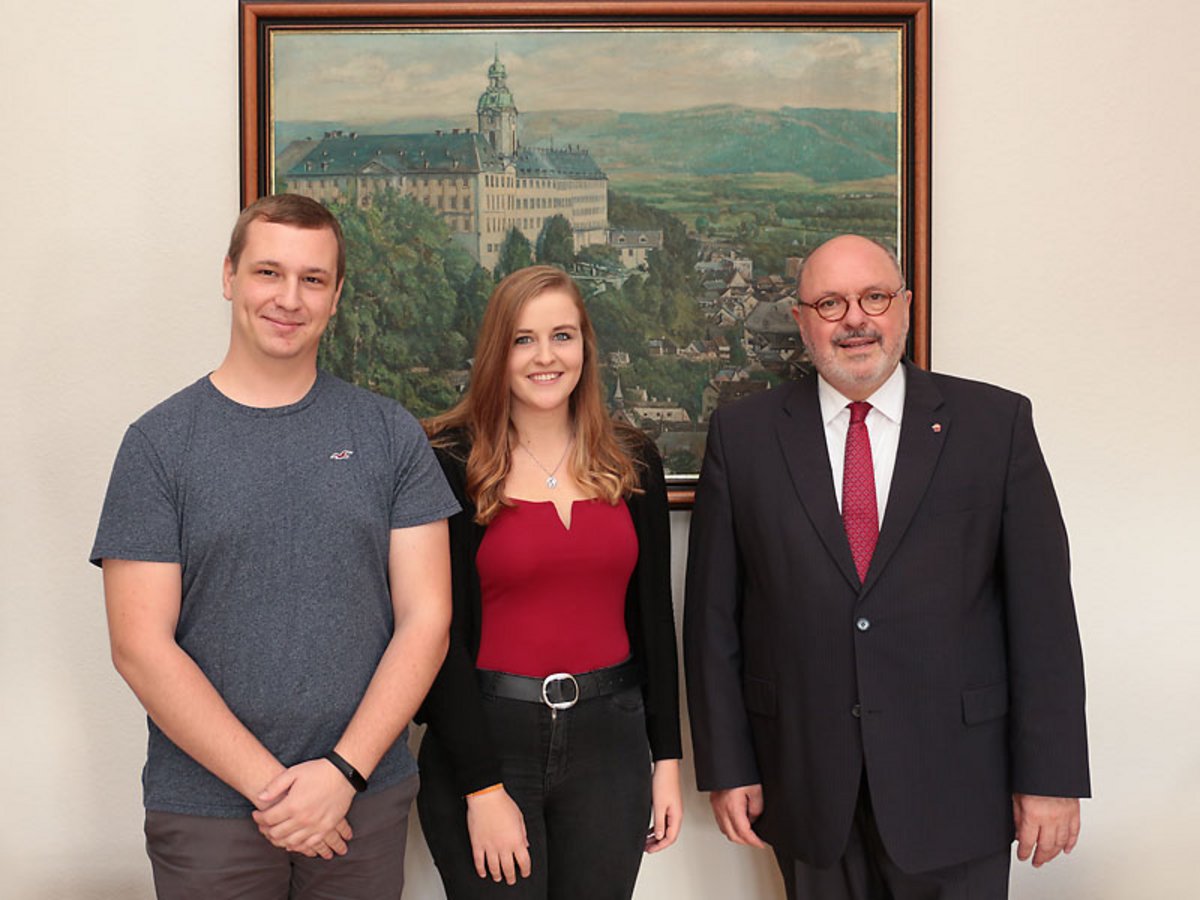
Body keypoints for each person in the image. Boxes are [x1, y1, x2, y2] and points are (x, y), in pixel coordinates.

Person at [684, 234, 1090, 899]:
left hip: (961, 787)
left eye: (874, 297)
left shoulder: (994, 424)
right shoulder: (744, 436)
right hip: (807, 784)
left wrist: (1051, 776)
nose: (855, 319)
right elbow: (713, 621)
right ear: (801, 319)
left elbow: (1043, 616)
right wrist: (728, 766)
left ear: (903, 307)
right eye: (831, 302)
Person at [90, 193, 459, 899]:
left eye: (313, 279)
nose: (289, 298)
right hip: (206, 812)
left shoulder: (390, 436)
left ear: (336, 294)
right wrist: (279, 792)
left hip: (361, 799)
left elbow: (427, 620)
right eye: (268, 273)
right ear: (229, 276)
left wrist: (341, 775)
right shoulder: (159, 446)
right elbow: (139, 644)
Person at [416, 265, 683, 900]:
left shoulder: (633, 457)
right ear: (496, 352)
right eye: (523, 339)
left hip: (610, 742)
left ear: (585, 346)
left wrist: (665, 760)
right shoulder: (449, 462)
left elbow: (653, 620)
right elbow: (434, 636)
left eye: (562, 335)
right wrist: (481, 788)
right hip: (485, 737)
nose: (545, 357)